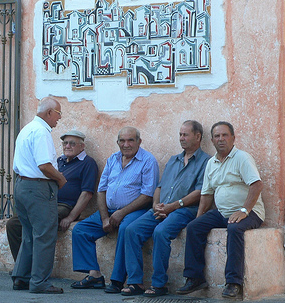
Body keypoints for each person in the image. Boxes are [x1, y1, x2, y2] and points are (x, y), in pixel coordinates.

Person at [121, 120, 211, 297]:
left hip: (184, 210)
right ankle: (135, 282)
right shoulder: (173, 160)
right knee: (131, 230)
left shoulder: (206, 162)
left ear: (198, 136)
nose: (181, 138)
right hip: (162, 208)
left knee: (161, 232)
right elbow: (160, 187)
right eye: (180, 134)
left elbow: (200, 192)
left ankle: (159, 284)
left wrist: (172, 206)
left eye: (185, 135)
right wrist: (156, 205)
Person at [176, 121, 265, 299]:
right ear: (212, 140)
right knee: (194, 227)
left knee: (234, 228)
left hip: (250, 212)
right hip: (223, 212)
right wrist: (199, 217)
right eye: (217, 136)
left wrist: (244, 210)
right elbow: (207, 194)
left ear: (233, 138)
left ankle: (233, 283)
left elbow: (256, 185)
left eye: (225, 135)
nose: (221, 139)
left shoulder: (242, 158)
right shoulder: (211, 163)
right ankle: (194, 278)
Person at [70, 126, 159, 294]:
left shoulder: (148, 161)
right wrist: (105, 217)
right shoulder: (113, 159)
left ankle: (118, 280)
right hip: (109, 211)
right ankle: (94, 275)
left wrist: (121, 213)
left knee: (126, 229)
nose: (126, 144)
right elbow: (101, 190)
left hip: (136, 210)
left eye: (130, 140)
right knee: (81, 230)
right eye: (122, 141)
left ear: (139, 141)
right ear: (117, 142)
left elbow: (147, 195)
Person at [7, 130, 99, 264]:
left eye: (72, 143)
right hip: (45, 202)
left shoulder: (88, 163)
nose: (67, 146)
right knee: (13, 224)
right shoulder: (59, 161)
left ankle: (34, 269)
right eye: (65, 143)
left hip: (64, 206)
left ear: (82, 146)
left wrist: (70, 217)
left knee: (40, 224)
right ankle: (21, 266)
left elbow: (87, 194)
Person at [11, 97, 67, 294]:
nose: (59, 119)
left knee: (29, 234)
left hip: (22, 185)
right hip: (38, 188)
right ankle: (40, 282)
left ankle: (21, 277)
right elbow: (44, 165)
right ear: (49, 113)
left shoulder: (27, 129)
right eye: (58, 114)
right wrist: (60, 179)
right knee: (44, 236)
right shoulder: (41, 132)